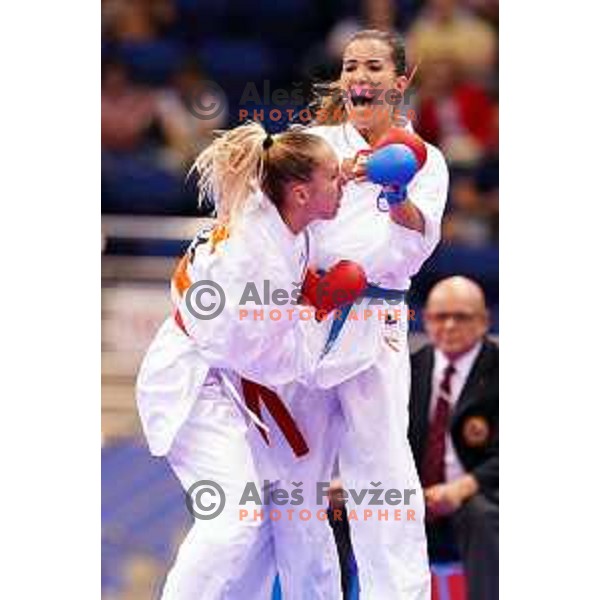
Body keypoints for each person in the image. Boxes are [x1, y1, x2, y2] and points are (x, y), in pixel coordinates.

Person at [136, 121, 356, 600]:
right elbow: (271, 362)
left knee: (258, 525)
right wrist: (317, 309)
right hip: (197, 380)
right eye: (335, 178)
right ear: (300, 193)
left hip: (225, 374)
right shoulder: (256, 257)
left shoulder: (275, 215)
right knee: (234, 518)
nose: (343, 185)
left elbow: (298, 159)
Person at [266, 29, 449, 600]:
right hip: (307, 320)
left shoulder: (425, 159)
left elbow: (416, 247)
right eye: (350, 67)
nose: (359, 77)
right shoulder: (311, 143)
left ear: (400, 81)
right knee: (293, 483)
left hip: (377, 324)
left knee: (383, 482)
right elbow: (268, 221)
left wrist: (396, 193)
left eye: (373, 66)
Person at [408, 276, 499, 600]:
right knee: (348, 511)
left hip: (480, 498)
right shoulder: (408, 369)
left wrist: (461, 488)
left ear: (484, 321)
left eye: (460, 316)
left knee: (481, 512)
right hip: (416, 497)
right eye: (437, 317)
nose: (448, 326)